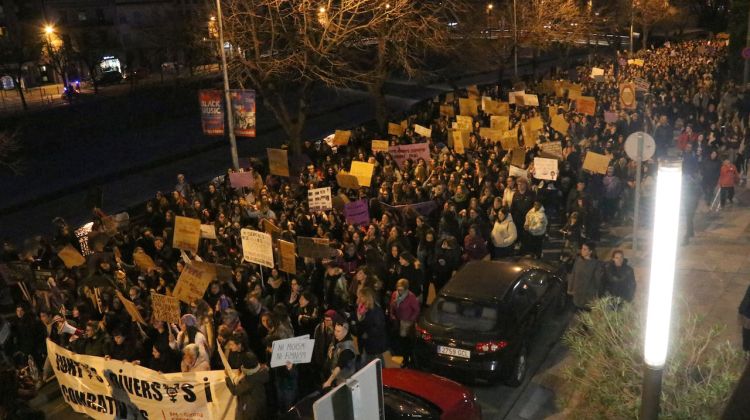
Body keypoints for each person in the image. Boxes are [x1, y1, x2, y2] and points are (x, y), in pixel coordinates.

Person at [226, 351, 269, 420]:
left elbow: (235, 390)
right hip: (261, 406)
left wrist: (228, 378)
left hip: (250, 410)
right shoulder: (262, 371)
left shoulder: (250, 379)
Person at [388, 279, 420, 367]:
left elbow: (416, 310)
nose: (399, 291)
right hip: (397, 321)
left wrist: (411, 320)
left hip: (406, 323)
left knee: (406, 342)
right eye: (398, 289)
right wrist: (392, 315)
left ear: (406, 289)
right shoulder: (395, 294)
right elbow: (391, 305)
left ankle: (407, 359)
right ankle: (402, 356)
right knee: (399, 340)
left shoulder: (411, 297)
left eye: (401, 289)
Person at [567, 242, 605, 310]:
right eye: (582, 248)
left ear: (590, 251)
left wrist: (597, 294)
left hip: (588, 295)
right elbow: (573, 274)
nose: (582, 250)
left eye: (585, 249)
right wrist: (570, 288)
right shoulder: (578, 260)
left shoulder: (596, 264)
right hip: (577, 293)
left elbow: (597, 281)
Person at [356, 287, 388, 366]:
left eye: (361, 296)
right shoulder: (362, 308)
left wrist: (367, 334)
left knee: (376, 363)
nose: (359, 298)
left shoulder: (376, 310)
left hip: (374, 343)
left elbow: (379, 327)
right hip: (366, 343)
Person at [322, 321, 358, 388]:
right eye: (335, 330)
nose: (335, 333)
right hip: (339, 380)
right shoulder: (340, 341)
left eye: (338, 331)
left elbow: (339, 366)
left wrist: (329, 381)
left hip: (346, 382)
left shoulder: (347, 349)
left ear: (345, 332)